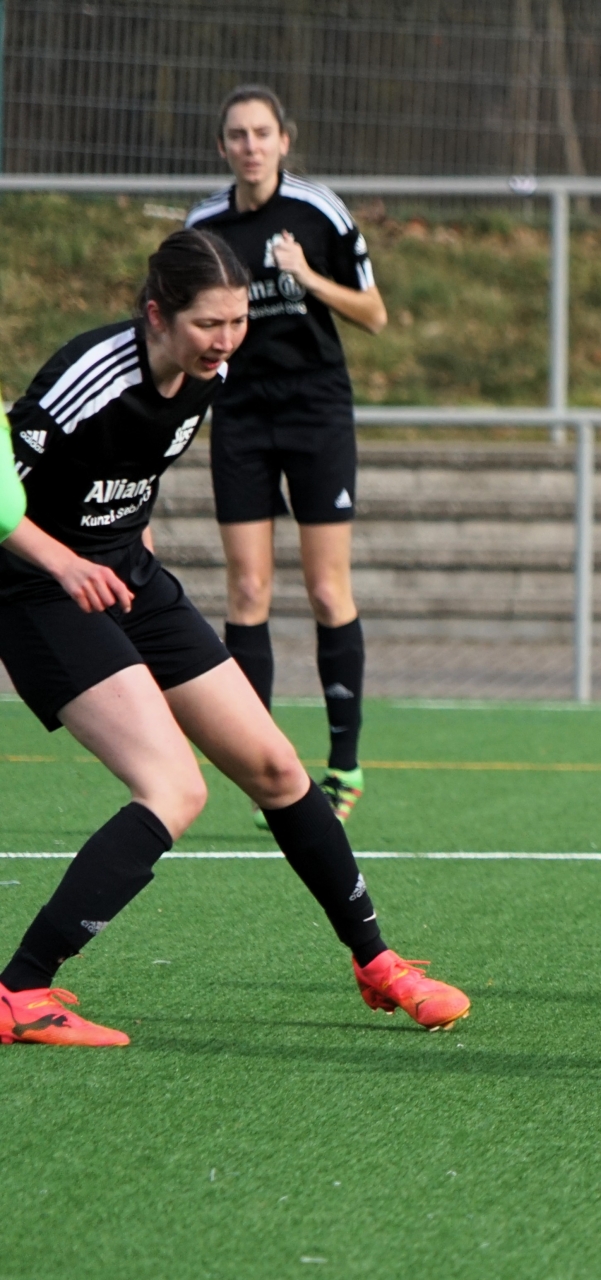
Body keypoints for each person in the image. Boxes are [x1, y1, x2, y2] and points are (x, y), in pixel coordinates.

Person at [0, 230, 466, 1046]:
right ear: (157, 315)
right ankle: (19, 991)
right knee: (175, 789)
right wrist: (66, 563)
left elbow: (127, 477)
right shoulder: (90, 377)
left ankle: (378, 963)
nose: (225, 340)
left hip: (126, 576)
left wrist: (128, 556)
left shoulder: (209, 375)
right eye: (207, 324)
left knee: (278, 769)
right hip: (39, 588)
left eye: (237, 321)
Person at [186, 85, 387, 823]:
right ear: (222, 147)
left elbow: (374, 314)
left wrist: (306, 277)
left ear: (284, 141)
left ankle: (344, 766)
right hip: (241, 416)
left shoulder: (318, 212)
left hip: (315, 412)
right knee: (247, 590)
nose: (250, 146)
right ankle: (266, 768)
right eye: (237, 134)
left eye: (262, 133)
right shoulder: (204, 227)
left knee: (328, 590)